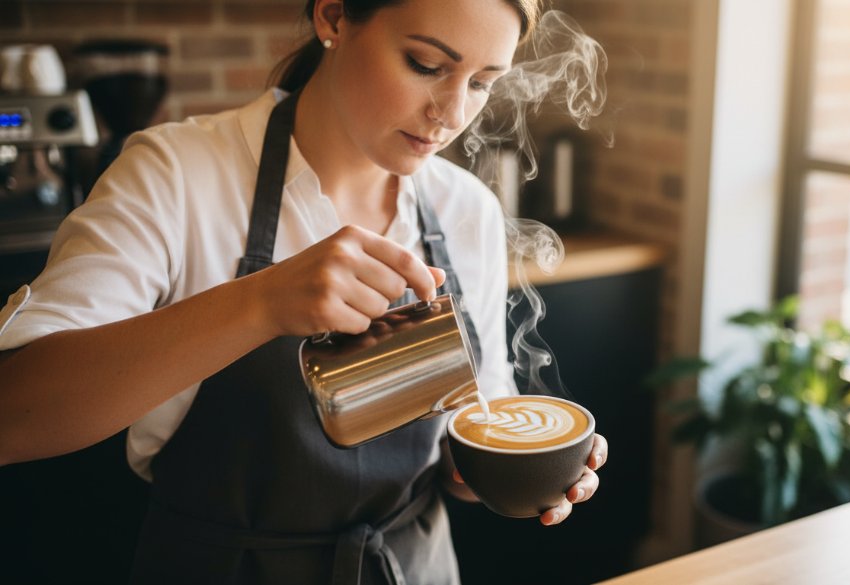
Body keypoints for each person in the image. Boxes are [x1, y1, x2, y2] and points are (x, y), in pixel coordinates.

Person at [0, 0, 609, 583]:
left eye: (482, 82)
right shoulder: (173, 175)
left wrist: (518, 468)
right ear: (334, 17)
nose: (451, 114)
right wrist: (259, 303)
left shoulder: (465, 208)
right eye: (426, 65)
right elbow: (15, 414)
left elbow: (465, 440)